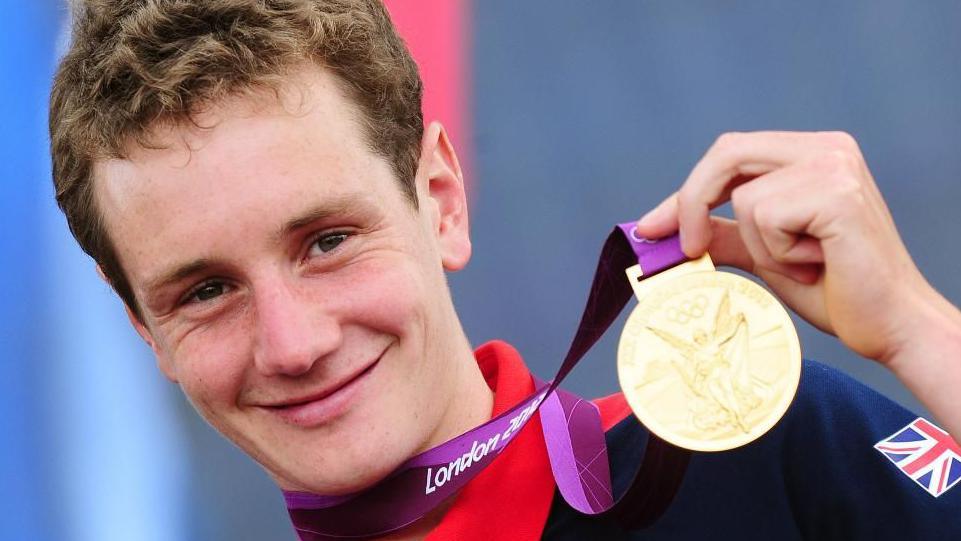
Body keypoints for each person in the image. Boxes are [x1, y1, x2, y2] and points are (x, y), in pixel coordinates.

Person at [49, 1, 961, 539]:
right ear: (144, 328)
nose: (293, 342)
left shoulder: (748, 459)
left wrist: (922, 333)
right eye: (205, 291)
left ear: (440, 198)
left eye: (326, 240)